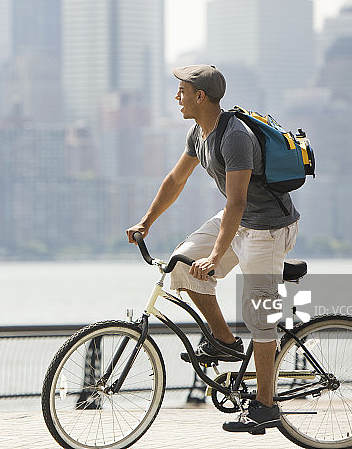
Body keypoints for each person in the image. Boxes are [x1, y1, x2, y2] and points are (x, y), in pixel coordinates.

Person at [126, 64, 299, 434]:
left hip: (268, 226)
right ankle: (224, 340)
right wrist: (146, 221)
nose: (177, 97)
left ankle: (267, 405)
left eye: (182, 91)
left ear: (200, 96)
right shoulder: (199, 133)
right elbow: (176, 179)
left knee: (260, 315)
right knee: (180, 267)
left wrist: (216, 257)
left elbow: (237, 201)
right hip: (239, 220)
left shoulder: (234, 137)